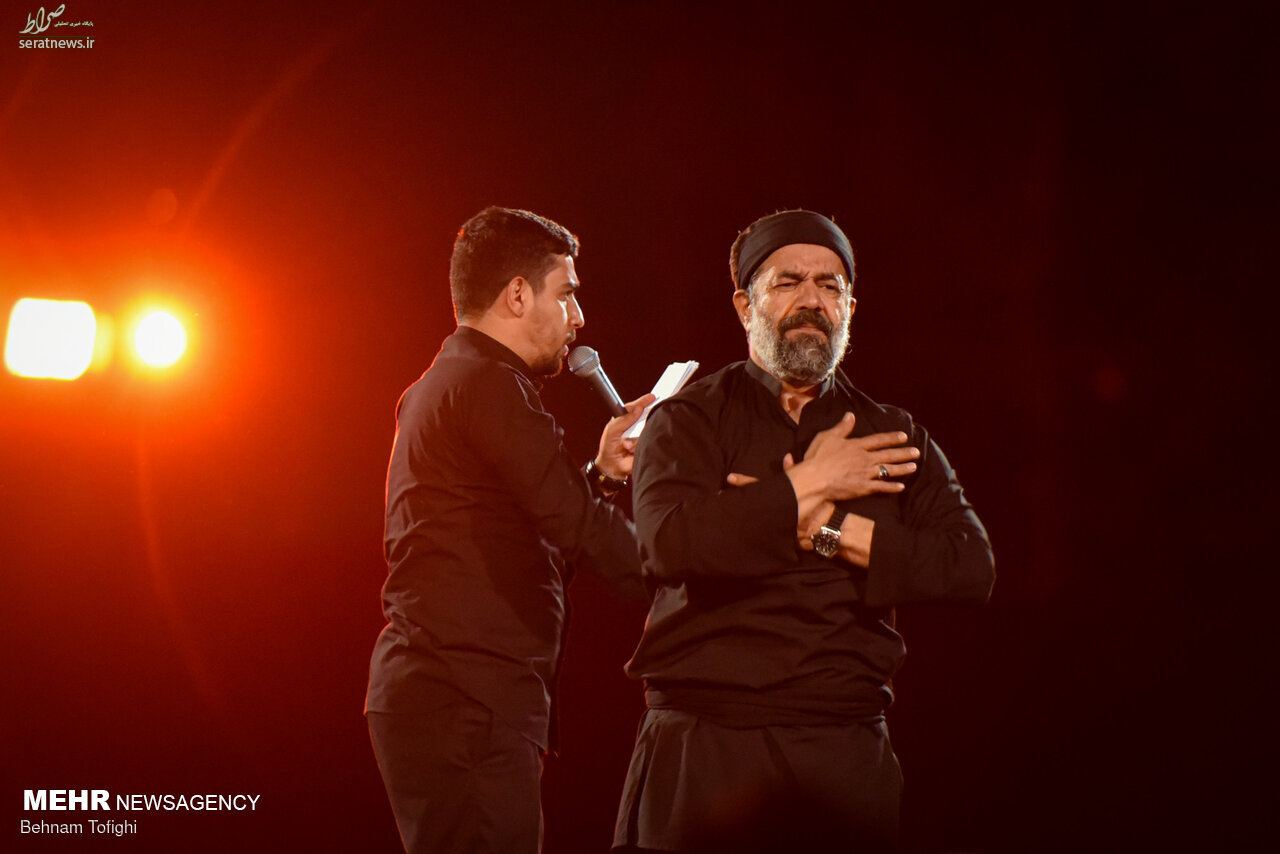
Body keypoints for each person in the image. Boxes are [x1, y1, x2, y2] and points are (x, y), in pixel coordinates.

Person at [612, 209, 995, 853]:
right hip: (704, 743)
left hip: (841, 749)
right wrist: (809, 485)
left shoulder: (892, 434)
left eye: (829, 285)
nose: (812, 300)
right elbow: (669, 545)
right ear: (745, 306)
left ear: (850, 308)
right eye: (788, 282)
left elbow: (968, 568)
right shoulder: (688, 420)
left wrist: (826, 530)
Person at [367, 206, 652, 854]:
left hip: (448, 696)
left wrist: (602, 474)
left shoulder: (447, 383)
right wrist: (706, 576)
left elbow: (527, 535)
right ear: (518, 295)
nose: (579, 318)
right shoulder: (489, 387)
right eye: (567, 294)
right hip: (465, 700)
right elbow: (582, 531)